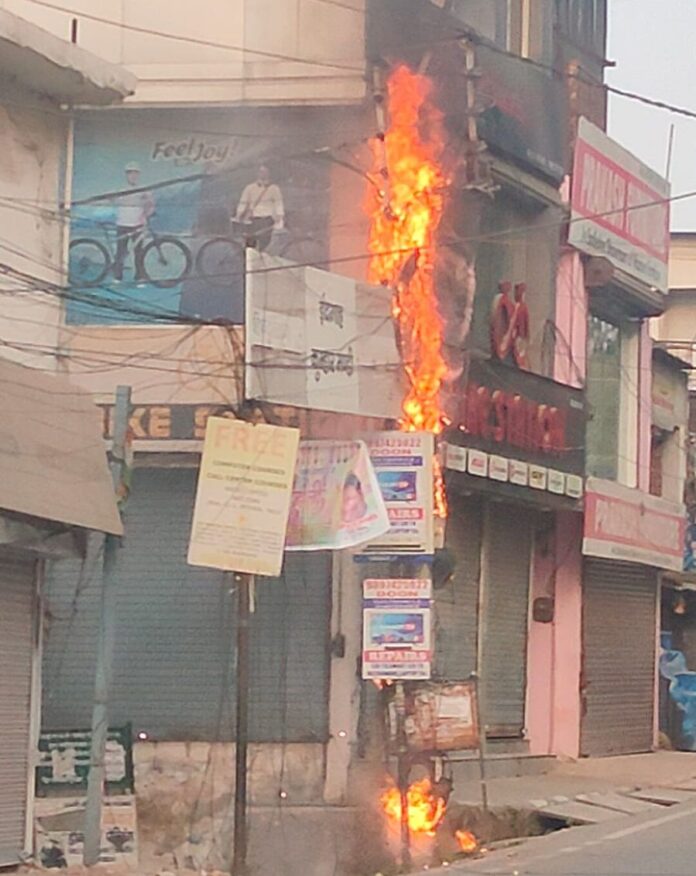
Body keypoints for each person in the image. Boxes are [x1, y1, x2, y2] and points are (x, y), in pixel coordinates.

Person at [112, 161, 155, 282]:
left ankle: (139, 276)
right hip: (122, 224)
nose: (133, 176)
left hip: (138, 225)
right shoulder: (120, 189)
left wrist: (146, 215)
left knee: (139, 252)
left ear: (138, 175)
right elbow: (111, 199)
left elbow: (151, 204)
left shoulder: (143, 190)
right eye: (130, 173)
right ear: (126, 175)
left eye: (135, 173)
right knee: (121, 252)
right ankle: (117, 277)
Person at [235, 164, 284, 251]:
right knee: (250, 243)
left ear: (269, 173)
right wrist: (239, 214)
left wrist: (279, 216)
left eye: (265, 172)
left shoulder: (274, 188)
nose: (263, 174)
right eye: (261, 171)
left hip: (267, 219)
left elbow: (278, 202)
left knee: (265, 242)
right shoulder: (249, 188)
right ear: (257, 173)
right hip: (253, 219)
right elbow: (243, 202)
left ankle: (260, 256)